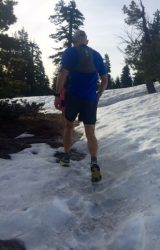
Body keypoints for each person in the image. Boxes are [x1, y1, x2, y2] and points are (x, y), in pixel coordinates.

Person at [54, 30, 108, 182]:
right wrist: (97, 96)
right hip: (90, 100)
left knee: (68, 126)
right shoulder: (96, 55)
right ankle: (94, 162)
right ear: (87, 41)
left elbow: (63, 73)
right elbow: (105, 80)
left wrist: (58, 95)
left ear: (74, 40)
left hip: (73, 97)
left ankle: (66, 157)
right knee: (90, 132)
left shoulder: (71, 52)